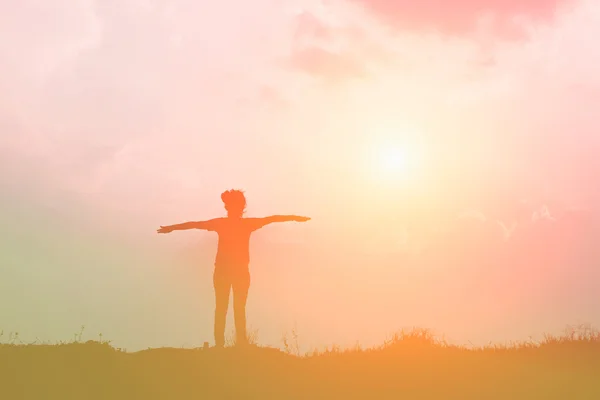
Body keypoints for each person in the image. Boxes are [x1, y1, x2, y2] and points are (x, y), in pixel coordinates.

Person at [157, 189, 310, 348]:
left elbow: (195, 224)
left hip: (226, 271)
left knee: (222, 308)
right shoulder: (246, 224)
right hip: (239, 271)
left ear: (227, 206)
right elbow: (272, 219)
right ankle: (239, 344)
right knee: (237, 308)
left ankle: (222, 345)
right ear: (241, 206)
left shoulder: (222, 223)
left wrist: (171, 228)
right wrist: (295, 218)